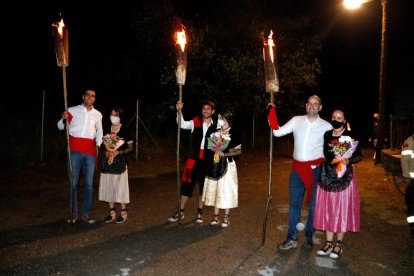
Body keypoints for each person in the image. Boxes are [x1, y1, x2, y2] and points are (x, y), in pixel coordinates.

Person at [268, 95, 332, 250]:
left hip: (317, 171)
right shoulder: (296, 120)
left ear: (320, 107)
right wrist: (271, 112)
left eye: (315, 104)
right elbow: (277, 132)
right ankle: (291, 237)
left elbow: (332, 150)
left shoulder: (327, 126)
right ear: (306, 105)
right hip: (297, 170)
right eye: (309, 103)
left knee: (313, 206)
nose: (312, 106)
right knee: (294, 205)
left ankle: (309, 234)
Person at [313, 108, 362, 258]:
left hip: (344, 177)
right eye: (334, 117)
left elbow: (359, 156)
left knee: (341, 208)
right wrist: (332, 156)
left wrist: (348, 159)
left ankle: (339, 244)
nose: (336, 119)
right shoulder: (327, 134)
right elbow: (326, 153)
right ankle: (328, 243)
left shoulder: (350, 136)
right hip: (327, 174)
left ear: (344, 120)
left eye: (339, 118)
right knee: (328, 208)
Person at [57, 89, 103, 224]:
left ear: (94, 98)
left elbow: (99, 131)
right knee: (73, 182)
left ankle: (86, 213)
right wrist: (62, 118)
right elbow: (60, 127)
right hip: (75, 150)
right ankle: (73, 213)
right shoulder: (72, 110)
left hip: (90, 151)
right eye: (88, 95)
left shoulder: (97, 114)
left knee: (89, 184)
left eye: (93, 96)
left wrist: (98, 145)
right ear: (83, 96)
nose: (90, 97)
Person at [168, 100, 217, 223]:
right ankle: (180, 212)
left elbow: (218, 144)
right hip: (193, 159)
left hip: (207, 160)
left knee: (203, 187)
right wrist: (179, 111)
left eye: (208, 108)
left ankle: (200, 213)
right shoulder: (195, 122)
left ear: (213, 111)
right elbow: (182, 124)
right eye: (204, 108)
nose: (205, 110)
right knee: (186, 185)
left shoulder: (216, 126)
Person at [202, 110, 241, 228]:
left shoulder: (233, 132)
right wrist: (214, 150)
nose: (219, 119)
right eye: (218, 117)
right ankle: (216, 216)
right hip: (215, 164)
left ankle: (226, 217)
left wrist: (225, 154)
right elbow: (208, 147)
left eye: (221, 117)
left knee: (226, 190)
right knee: (216, 189)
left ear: (227, 118)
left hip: (228, 165)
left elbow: (239, 151)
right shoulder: (215, 131)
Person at [99, 107, 134, 224]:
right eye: (111, 114)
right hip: (109, 162)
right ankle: (112, 211)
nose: (113, 116)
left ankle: (123, 211)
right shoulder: (106, 129)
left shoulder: (125, 129)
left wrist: (118, 152)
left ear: (120, 116)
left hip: (120, 162)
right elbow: (102, 145)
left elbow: (131, 148)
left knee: (121, 187)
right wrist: (106, 151)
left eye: (115, 114)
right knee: (109, 185)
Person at [401, 133, 414, 237]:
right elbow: (404, 161)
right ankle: (412, 226)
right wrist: (406, 177)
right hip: (412, 180)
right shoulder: (409, 142)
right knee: (412, 204)